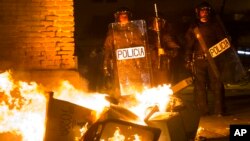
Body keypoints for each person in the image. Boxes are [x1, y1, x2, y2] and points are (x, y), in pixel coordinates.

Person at [184, 1, 226, 116]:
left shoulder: (216, 26)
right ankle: (202, 111)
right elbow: (189, 45)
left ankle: (219, 110)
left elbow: (224, 43)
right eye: (202, 10)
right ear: (198, 12)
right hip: (198, 60)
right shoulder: (194, 28)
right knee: (200, 86)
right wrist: (187, 59)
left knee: (217, 84)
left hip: (214, 60)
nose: (204, 12)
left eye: (206, 10)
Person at [102, 7, 152, 101]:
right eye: (122, 16)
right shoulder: (113, 32)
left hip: (134, 64)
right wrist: (106, 65)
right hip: (120, 65)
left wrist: (144, 61)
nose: (124, 18)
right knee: (121, 84)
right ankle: (122, 100)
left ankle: (137, 100)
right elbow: (107, 49)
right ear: (118, 18)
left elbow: (142, 45)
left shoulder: (135, 30)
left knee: (136, 82)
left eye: (126, 16)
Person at [147, 13, 180, 86]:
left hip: (163, 67)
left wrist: (165, 52)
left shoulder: (166, 36)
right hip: (150, 67)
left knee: (163, 87)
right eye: (156, 22)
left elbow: (175, 50)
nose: (157, 24)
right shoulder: (147, 36)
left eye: (159, 22)